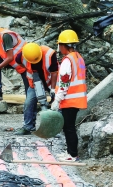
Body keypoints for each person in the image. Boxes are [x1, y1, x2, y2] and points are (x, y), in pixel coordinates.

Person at [51, 30, 87, 162]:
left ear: (63, 45)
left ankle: (72, 154)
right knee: (70, 127)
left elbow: (64, 84)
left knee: (69, 128)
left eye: (60, 45)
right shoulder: (79, 58)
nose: (59, 48)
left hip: (69, 99)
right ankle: (71, 153)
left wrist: (57, 100)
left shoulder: (68, 61)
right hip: (77, 98)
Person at [13, 42, 58, 135]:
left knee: (57, 102)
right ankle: (28, 127)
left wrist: (53, 90)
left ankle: (56, 128)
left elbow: (54, 72)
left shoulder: (50, 54)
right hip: (34, 81)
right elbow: (21, 65)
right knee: (29, 102)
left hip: (51, 80)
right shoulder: (20, 56)